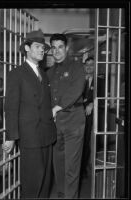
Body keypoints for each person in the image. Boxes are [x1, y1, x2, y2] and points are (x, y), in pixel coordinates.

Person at [3, 29, 57, 199]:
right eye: (37, 46)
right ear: (27, 48)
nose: (42, 50)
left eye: (43, 47)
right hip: (30, 136)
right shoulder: (16, 74)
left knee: (45, 181)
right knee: (33, 181)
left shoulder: (44, 75)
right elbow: (11, 107)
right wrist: (11, 137)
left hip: (47, 134)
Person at [47, 33, 86, 198]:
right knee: (58, 164)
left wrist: (56, 108)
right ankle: (62, 195)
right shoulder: (49, 73)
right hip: (56, 123)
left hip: (73, 120)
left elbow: (75, 90)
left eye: (60, 47)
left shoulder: (76, 67)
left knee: (71, 165)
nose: (57, 51)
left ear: (67, 48)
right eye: (54, 48)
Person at [80, 56, 94, 178]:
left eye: (92, 64)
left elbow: (104, 97)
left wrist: (92, 103)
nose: (89, 67)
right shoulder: (79, 80)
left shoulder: (101, 81)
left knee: (85, 142)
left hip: (90, 117)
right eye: (87, 64)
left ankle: (82, 169)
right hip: (77, 115)